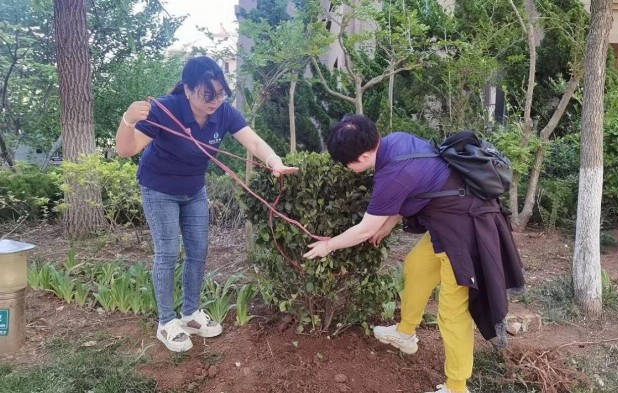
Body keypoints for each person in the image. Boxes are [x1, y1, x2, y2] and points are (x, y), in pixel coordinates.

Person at [303, 115, 524, 393]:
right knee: (416, 265)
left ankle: (457, 386)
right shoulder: (396, 141)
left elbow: (363, 230)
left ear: (362, 156)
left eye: (347, 163)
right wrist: (386, 225)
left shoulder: (391, 174)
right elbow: (410, 190)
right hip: (448, 225)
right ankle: (405, 333)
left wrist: (328, 245)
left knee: (452, 314)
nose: (347, 168)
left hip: (468, 233)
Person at [116, 56, 298, 352]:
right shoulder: (166, 109)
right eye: (207, 95)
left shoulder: (224, 113)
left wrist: (274, 162)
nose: (215, 101)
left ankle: (190, 314)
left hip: (194, 190)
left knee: (199, 249)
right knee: (167, 252)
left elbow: (252, 142)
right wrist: (128, 119)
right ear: (187, 90)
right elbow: (126, 150)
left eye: (221, 93)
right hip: (159, 188)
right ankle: (166, 322)